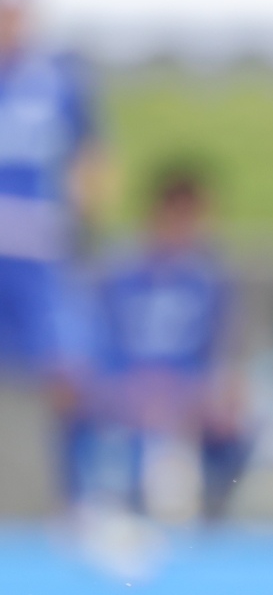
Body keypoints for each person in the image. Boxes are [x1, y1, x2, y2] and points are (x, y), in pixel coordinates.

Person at [69, 164, 244, 522]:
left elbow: (218, 358)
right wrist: (130, 392)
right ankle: (87, 509)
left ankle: (233, 525)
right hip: (124, 397)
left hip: (185, 402)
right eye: (181, 216)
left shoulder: (209, 281)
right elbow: (94, 352)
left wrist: (205, 393)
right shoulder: (116, 274)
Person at [0, 0, 105, 509]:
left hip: (39, 255)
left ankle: (77, 499)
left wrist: (83, 221)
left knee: (68, 371)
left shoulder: (56, 81)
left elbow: (90, 154)